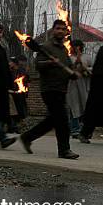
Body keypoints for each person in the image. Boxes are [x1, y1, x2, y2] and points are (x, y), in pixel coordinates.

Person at [19, 20, 79, 159]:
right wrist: (50, 62)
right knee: (63, 120)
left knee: (53, 120)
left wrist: (74, 73)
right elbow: (38, 65)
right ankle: (64, 150)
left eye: (63, 29)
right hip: (50, 89)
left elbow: (68, 66)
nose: (60, 31)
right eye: (58, 28)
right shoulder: (46, 47)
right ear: (53, 30)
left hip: (61, 89)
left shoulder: (64, 49)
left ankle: (27, 137)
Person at [66, 40, 92, 138]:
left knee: (85, 107)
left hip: (84, 85)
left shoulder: (87, 57)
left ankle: (84, 130)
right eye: (73, 46)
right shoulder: (69, 58)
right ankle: (75, 130)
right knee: (74, 107)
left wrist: (85, 69)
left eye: (77, 46)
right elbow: (67, 71)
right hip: (72, 86)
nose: (76, 48)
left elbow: (93, 69)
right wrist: (75, 64)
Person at [7, 56, 29, 133]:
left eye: (11, 62)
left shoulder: (21, 72)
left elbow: (26, 82)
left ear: (14, 63)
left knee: (20, 110)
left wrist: (24, 92)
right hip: (12, 94)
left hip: (20, 94)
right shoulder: (10, 72)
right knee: (13, 111)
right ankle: (12, 127)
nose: (9, 63)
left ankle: (20, 127)